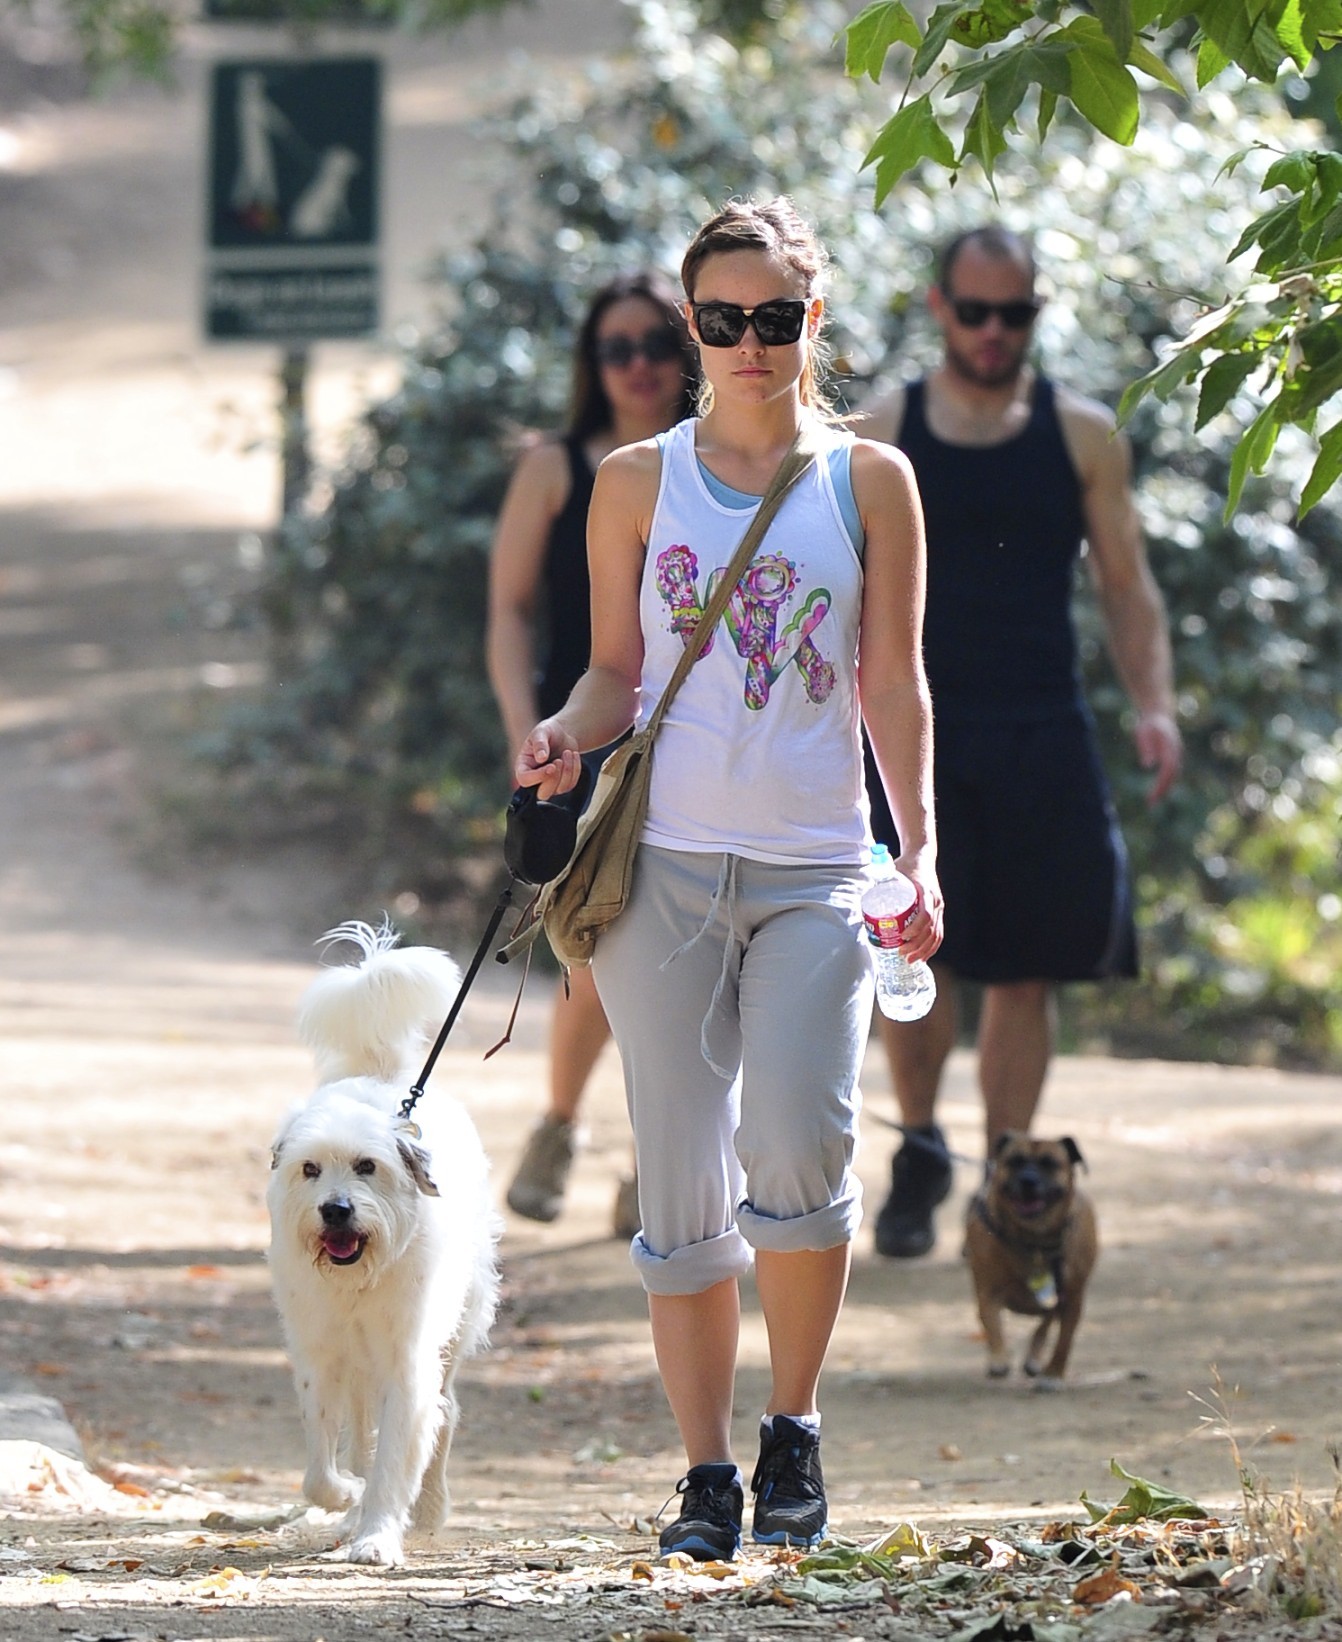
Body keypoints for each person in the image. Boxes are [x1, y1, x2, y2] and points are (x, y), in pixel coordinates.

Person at [513, 198, 941, 1561]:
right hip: (667, 874)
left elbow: (890, 681)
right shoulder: (637, 478)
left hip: (818, 868)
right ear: (690, 327)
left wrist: (917, 848)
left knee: (800, 1141)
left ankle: (792, 1423)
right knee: (682, 1174)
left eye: (772, 319)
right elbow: (612, 671)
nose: (745, 345)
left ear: (811, 322)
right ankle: (702, 1471)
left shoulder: (869, 482)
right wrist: (563, 736)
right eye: (719, 321)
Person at [854, 225, 1182, 1260]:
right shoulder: (884, 429)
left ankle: (1007, 1176)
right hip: (914, 728)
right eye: (976, 311)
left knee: (1028, 969)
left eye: (1016, 313)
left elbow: (1125, 588)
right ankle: (918, 1147)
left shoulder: (1082, 435)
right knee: (915, 954)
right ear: (938, 305)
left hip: (1042, 724)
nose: (995, 332)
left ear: (1035, 313)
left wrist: (1155, 704)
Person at [487, 274, 697, 1234]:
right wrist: (523, 728)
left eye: (658, 343)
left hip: (696, 738)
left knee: (689, 955)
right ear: (593, 363)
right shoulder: (556, 467)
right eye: (619, 348)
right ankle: (561, 1126)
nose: (642, 365)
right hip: (583, 735)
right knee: (594, 943)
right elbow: (508, 610)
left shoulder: (713, 464)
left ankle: (656, 1167)